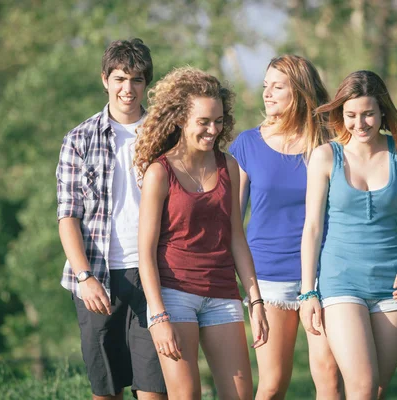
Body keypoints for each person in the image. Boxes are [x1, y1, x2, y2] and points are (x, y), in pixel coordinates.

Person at [133, 66, 269, 400]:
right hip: (174, 295)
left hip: (222, 293)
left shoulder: (229, 166)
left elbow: (236, 236)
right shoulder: (159, 172)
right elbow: (145, 252)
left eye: (219, 121)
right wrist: (158, 314)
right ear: (180, 119)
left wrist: (256, 299)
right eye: (204, 122)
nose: (213, 130)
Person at [300, 70, 397, 400]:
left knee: (377, 390)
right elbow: (312, 227)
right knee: (362, 386)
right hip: (341, 281)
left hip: (393, 282)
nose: (360, 123)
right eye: (351, 115)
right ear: (341, 115)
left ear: (382, 111)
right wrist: (307, 292)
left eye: (368, 114)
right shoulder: (326, 155)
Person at [56, 38, 166, 400]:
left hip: (154, 273)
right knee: (106, 392)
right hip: (96, 277)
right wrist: (84, 277)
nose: (127, 89)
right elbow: (68, 215)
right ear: (105, 79)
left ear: (146, 83)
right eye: (120, 78)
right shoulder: (79, 140)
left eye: (136, 80)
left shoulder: (166, 137)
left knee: (153, 389)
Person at [229, 55, 342, 399]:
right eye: (265, 86)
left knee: (330, 379)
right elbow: (231, 220)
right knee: (274, 383)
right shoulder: (247, 145)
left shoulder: (330, 143)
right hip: (269, 277)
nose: (267, 93)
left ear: (300, 91)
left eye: (278, 86)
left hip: (323, 275)